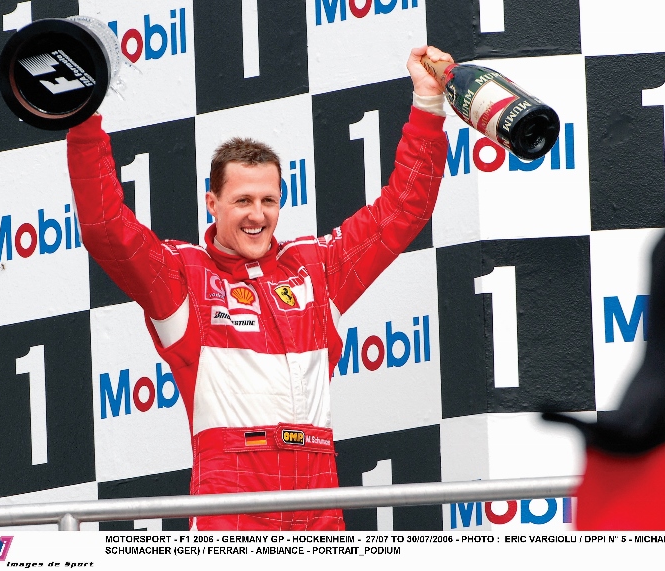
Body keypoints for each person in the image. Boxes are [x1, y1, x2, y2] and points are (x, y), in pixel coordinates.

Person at [66, 45, 452, 531]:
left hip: (317, 498)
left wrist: (427, 105)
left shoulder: (315, 268)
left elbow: (404, 210)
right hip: (232, 502)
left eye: (268, 199)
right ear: (213, 203)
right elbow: (105, 228)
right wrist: (84, 122)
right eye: (242, 200)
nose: (257, 215)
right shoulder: (182, 277)